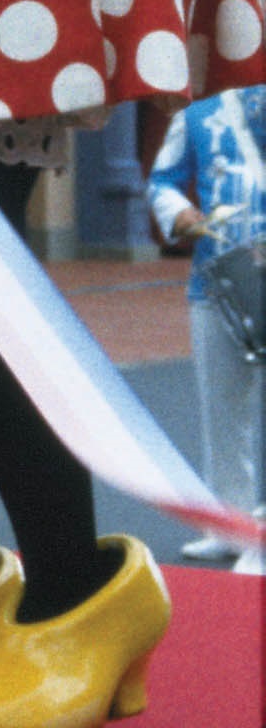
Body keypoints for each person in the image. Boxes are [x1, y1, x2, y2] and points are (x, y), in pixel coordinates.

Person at [148, 73, 266, 568]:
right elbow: (162, 181)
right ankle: (229, 523)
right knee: (221, 408)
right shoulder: (197, 114)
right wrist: (180, 215)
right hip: (217, 282)